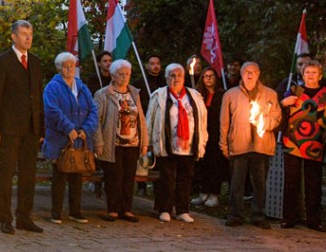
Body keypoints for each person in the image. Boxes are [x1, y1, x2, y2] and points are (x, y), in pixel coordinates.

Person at [0, 20, 45, 234]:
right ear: (13, 36)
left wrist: (41, 129)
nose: (28, 38)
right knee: (7, 173)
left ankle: (24, 216)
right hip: (9, 129)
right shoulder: (2, 61)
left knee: (28, 175)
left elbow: (38, 97)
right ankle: (5, 218)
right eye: (23, 34)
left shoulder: (36, 62)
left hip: (31, 129)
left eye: (30, 34)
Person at [220, 62, 281, 228]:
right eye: (246, 71)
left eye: (253, 72)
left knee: (259, 183)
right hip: (239, 145)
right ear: (241, 73)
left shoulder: (270, 94)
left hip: (262, 147)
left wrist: (262, 121)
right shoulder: (230, 95)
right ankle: (235, 214)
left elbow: (276, 118)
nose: (249, 74)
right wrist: (224, 144)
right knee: (236, 184)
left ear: (258, 74)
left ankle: (258, 215)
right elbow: (224, 123)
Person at [280, 60, 326, 231]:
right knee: (291, 182)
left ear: (320, 75)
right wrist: (284, 103)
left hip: (315, 143)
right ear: (302, 75)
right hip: (293, 141)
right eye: (307, 72)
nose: (310, 75)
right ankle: (290, 218)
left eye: (313, 72)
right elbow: (280, 106)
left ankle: (314, 219)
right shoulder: (296, 90)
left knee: (313, 183)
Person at [42, 53, 98, 225]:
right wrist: (69, 129)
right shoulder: (52, 87)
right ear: (59, 68)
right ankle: (56, 212)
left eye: (72, 66)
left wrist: (85, 130)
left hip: (80, 139)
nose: (69, 69)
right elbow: (52, 110)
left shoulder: (81, 87)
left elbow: (93, 109)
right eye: (65, 66)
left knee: (77, 175)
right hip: (60, 139)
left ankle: (76, 211)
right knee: (60, 174)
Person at [147, 64, 208, 223]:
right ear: (166, 78)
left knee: (185, 178)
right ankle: (164, 209)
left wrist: (202, 141)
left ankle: (182, 210)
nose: (175, 79)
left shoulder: (194, 95)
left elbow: (202, 120)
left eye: (179, 75)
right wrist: (148, 143)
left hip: (188, 146)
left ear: (184, 77)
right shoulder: (159, 95)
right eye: (172, 76)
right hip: (167, 143)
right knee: (166, 178)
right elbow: (150, 119)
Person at [93, 59, 148, 223]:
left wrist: (144, 142)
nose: (125, 77)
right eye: (121, 74)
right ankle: (113, 209)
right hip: (112, 142)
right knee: (113, 177)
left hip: (132, 142)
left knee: (128, 177)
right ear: (113, 75)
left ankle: (127, 209)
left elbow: (141, 120)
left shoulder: (134, 93)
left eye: (127, 74)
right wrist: (98, 141)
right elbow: (96, 120)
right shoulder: (103, 94)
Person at [192, 67, 228, 207]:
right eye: (205, 76)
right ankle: (203, 192)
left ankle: (214, 193)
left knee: (215, 164)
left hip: (216, 133)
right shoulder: (198, 94)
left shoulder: (222, 94)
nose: (208, 78)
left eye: (211, 75)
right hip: (202, 133)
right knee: (203, 163)